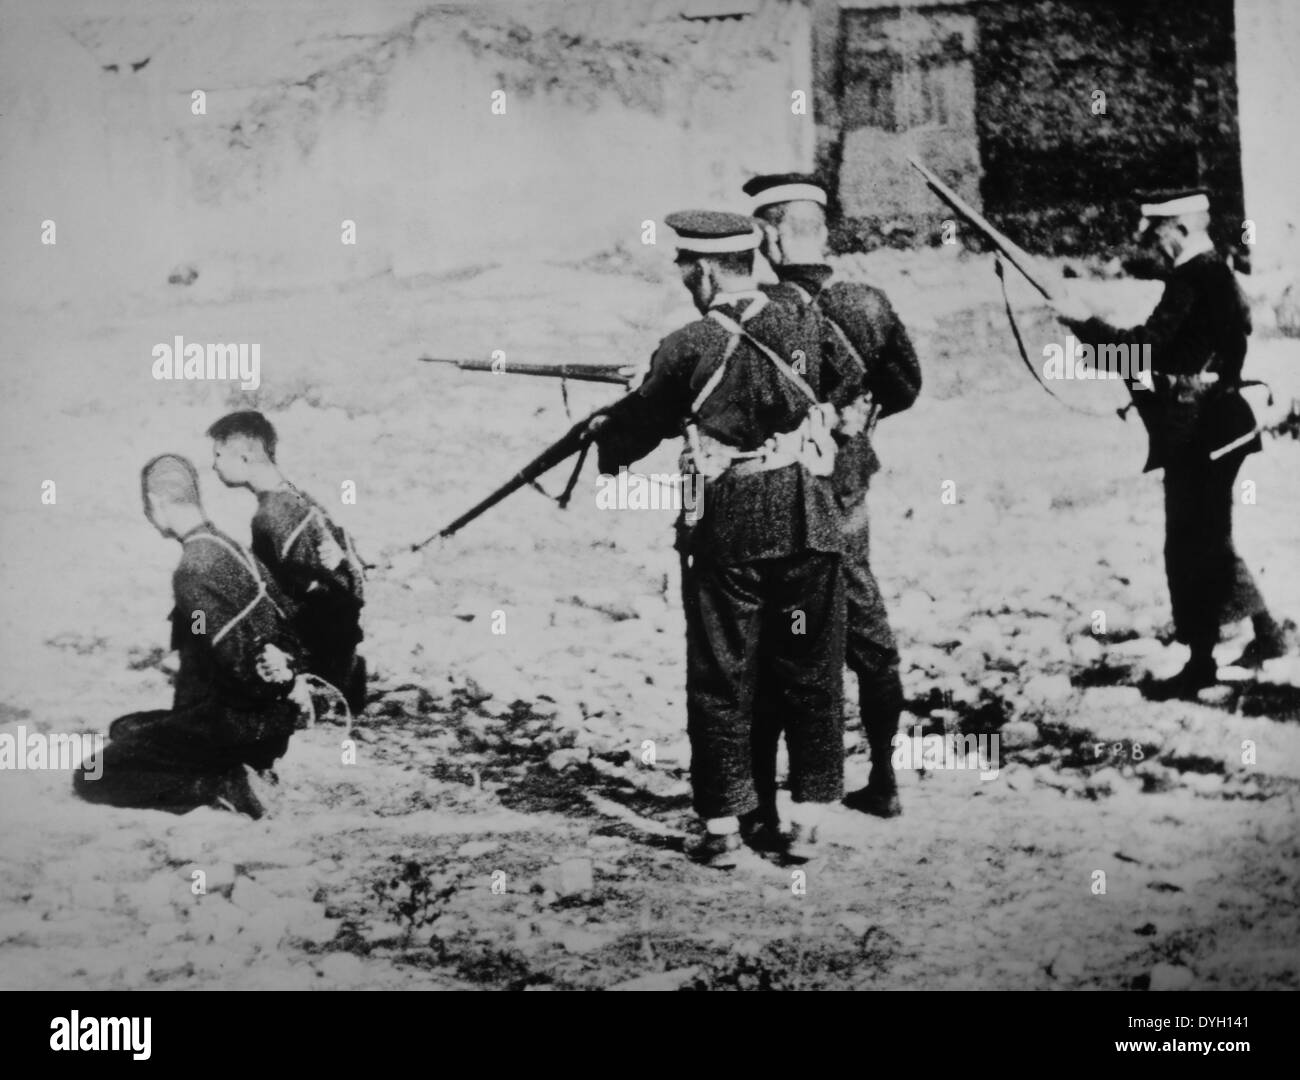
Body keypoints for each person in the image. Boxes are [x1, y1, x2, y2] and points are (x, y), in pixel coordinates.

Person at [591, 210, 864, 867]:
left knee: (723, 673)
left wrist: (612, 420)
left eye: (687, 266)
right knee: (808, 666)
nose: (686, 278)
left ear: (708, 270)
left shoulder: (688, 345)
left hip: (732, 526)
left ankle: (720, 828)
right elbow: (851, 380)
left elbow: (630, 434)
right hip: (809, 518)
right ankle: (807, 820)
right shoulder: (807, 319)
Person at [1051, 188, 1288, 698]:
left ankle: (1211, 661)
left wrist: (1082, 325)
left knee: (1191, 544)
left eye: (1155, 233)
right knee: (1204, 538)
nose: (1149, 245)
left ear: (1179, 229)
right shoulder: (1215, 272)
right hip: (1219, 424)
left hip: (1202, 430)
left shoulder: (1192, 276)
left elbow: (1144, 350)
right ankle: (1259, 640)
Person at [743, 173, 922, 818]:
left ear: (768, 232)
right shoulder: (868, 302)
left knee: (775, 636)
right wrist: (855, 420)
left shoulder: (763, 311)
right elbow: (906, 385)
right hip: (846, 489)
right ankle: (881, 779)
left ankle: (769, 800)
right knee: (867, 633)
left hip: (784, 495)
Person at [73, 454, 303, 817]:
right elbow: (285, 622)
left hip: (234, 723)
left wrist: (254, 677)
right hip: (272, 725)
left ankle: (218, 786)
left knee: (93, 774)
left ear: (155, 503)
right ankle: (248, 767)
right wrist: (284, 667)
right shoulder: (234, 549)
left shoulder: (192, 571)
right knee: (126, 728)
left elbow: (234, 664)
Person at [207, 411, 367, 713]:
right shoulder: (296, 497)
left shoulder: (271, 515)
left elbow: (309, 596)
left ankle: (330, 685)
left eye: (218, 455)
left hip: (319, 654)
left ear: (244, 458)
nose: (213, 465)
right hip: (336, 640)